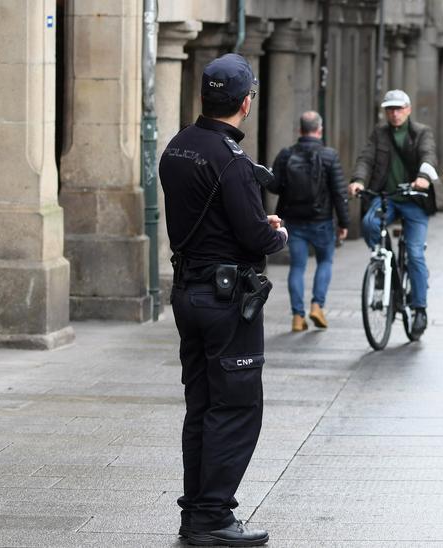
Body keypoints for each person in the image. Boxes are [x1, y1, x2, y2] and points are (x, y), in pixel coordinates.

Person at [159, 53, 284, 547]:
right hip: (225, 299)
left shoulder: (177, 147)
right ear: (245, 102)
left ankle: (197, 513)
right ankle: (212, 516)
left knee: (202, 404)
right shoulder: (231, 162)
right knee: (234, 407)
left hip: (187, 292)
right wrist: (274, 232)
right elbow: (254, 235)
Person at [348, 89, 438, 338]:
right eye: (390, 109)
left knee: (416, 254)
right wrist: (358, 180)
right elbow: (366, 158)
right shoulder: (379, 133)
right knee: (368, 224)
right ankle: (383, 261)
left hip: (414, 199)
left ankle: (419, 308)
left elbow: (428, 154)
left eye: (399, 109)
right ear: (385, 112)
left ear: (408, 109)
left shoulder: (421, 132)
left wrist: (422, 177)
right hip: (386, 197)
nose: (395, 113)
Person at [267, 111, 349, 332]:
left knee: (297, 267)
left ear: (300, 130)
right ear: (319, 130)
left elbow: (273, 186)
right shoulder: (329, 155)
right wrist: (344, 223)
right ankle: (317, 306)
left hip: (293, 221)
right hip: (322, 221)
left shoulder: (286, 154)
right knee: (325, 262)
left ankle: (297, 316)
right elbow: (339, 192)